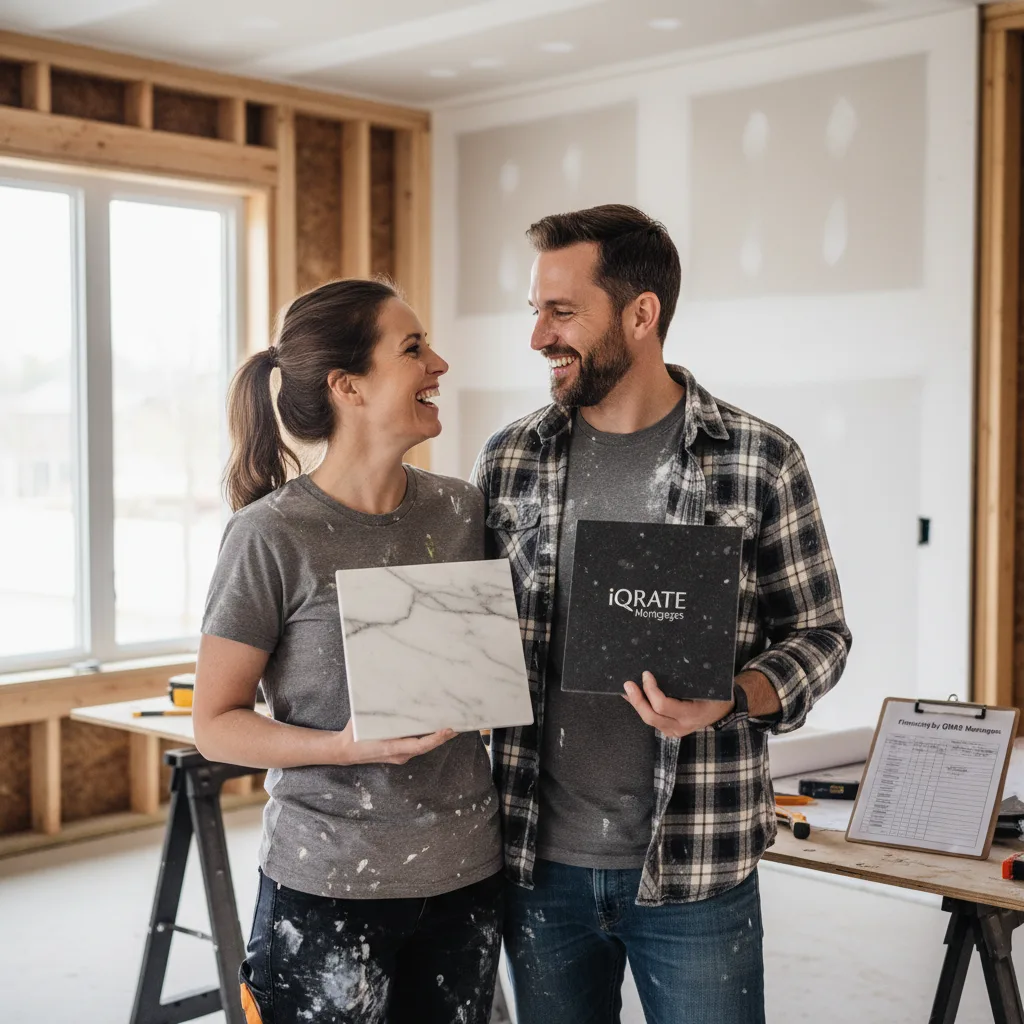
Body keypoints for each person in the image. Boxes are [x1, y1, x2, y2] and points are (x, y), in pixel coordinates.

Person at [472, 205, 852, 1024]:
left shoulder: (757, 459)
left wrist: (735, 695)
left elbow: (821, 636)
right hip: (539, 862)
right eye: (534, 311)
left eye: (561, 312)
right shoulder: (510, 459)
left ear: (641, 315)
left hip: (695, 862)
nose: (537, 337)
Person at [192, 279, 503, 1024]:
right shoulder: (271, 535)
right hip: (327, 882)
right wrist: (339, 747)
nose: (439, 364)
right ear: (348, 386)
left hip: (467, 874)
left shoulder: (462, 511)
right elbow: (215, 724)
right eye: (413, 348)